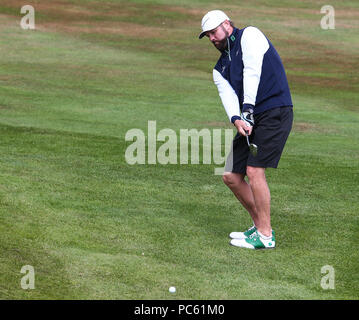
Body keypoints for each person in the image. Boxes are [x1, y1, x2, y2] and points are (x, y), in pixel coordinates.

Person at [199, 10, 293, 249]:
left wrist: (248, 109)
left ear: (227, 24)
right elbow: (228, 96)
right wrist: (237, 119)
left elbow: (253, 70)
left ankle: (265, 235)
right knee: (231, 175)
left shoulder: (250, 35)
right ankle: (259, 224)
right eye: (207, 35)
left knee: (254, 170)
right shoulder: (219, 68)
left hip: (274, 110)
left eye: (213, 32)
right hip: (251, 118)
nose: (211, 38)